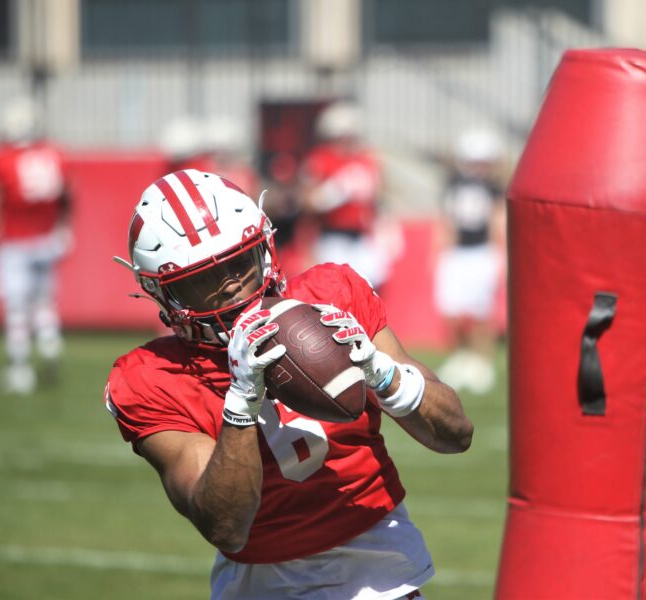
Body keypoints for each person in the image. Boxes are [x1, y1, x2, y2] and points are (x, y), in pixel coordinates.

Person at [104, 169, 473, 599]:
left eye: (239, 263)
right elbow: (225, 526)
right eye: (203, 282)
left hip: (385, 577)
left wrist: (384, 374)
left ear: (264, 246)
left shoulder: (332, 297)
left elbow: (456, 434)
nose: (231, 288)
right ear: (164, 294)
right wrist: (241, 402)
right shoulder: (150, 376)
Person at [0, 96, 72, 394]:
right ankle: (48, 340)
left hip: (15, 241)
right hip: (46, 238)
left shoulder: (3, 159)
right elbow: (67, 194)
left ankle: (20, 369)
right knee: (44, 302)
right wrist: (63, 227)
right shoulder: (53, 154)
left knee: (17, 308)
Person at [433, 128, 506, 395]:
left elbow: (497, 222)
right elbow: (447, 221)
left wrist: (499, 255)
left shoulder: (494, 188)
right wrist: (439, 251)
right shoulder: (453, 184)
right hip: (457, 254)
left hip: (481, 252)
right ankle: (463, 357)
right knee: (452, 311)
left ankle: (482, 361)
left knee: (481, 311)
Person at [300, 101, 391, 290]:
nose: (345, 141)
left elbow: (380, 195)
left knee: (371, 287)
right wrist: (333, 193)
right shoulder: (320, 159)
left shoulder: (365, 159)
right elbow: (308, 201)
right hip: (332, 236)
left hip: (362, 236)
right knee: (335, 290)